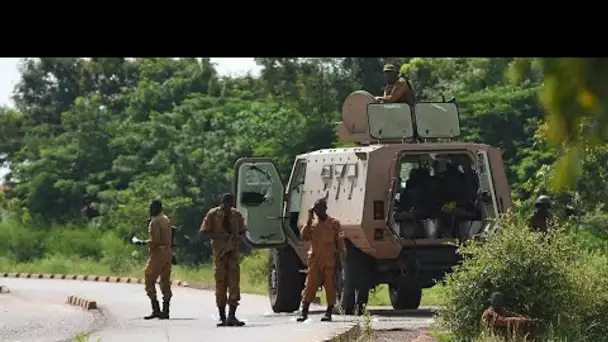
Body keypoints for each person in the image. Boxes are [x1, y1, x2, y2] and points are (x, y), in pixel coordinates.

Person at [200, 193, 247, 327]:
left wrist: (238, 237)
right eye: (227, 203)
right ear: (222, 202)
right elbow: (204, 231)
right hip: (220, 254)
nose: (229, 206)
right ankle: (222, 316)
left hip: (232, 254)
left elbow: (243, 230)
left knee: (234, 284)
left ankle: (232, 315)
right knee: (220, 284)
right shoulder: (213, 214)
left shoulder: (236, 215)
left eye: (231, 204)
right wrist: (219, 236)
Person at [297, 198, 346, 322]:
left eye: (320, 208)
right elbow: (304, 236)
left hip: (329, 261)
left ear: (325, 209)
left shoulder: (334, 224)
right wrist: (309, 218)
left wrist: (340, 263)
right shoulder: (312, 224)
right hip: (315, 261)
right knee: (310, 286)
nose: (318, 211)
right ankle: (304, 312)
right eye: (316, 209)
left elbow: (340, 245)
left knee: (330, 287)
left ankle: (329, 312)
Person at [139, 199, 173, 320]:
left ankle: (156, 309)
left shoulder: (154, 222)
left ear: (155, 208)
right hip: (168, 252)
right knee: (165, 281)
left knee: (149, 279)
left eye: (151, 208)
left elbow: (155, 240)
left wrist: (142, 242)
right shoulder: (166, 219)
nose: (149, 210)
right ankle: (166, 310)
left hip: (158, 253)